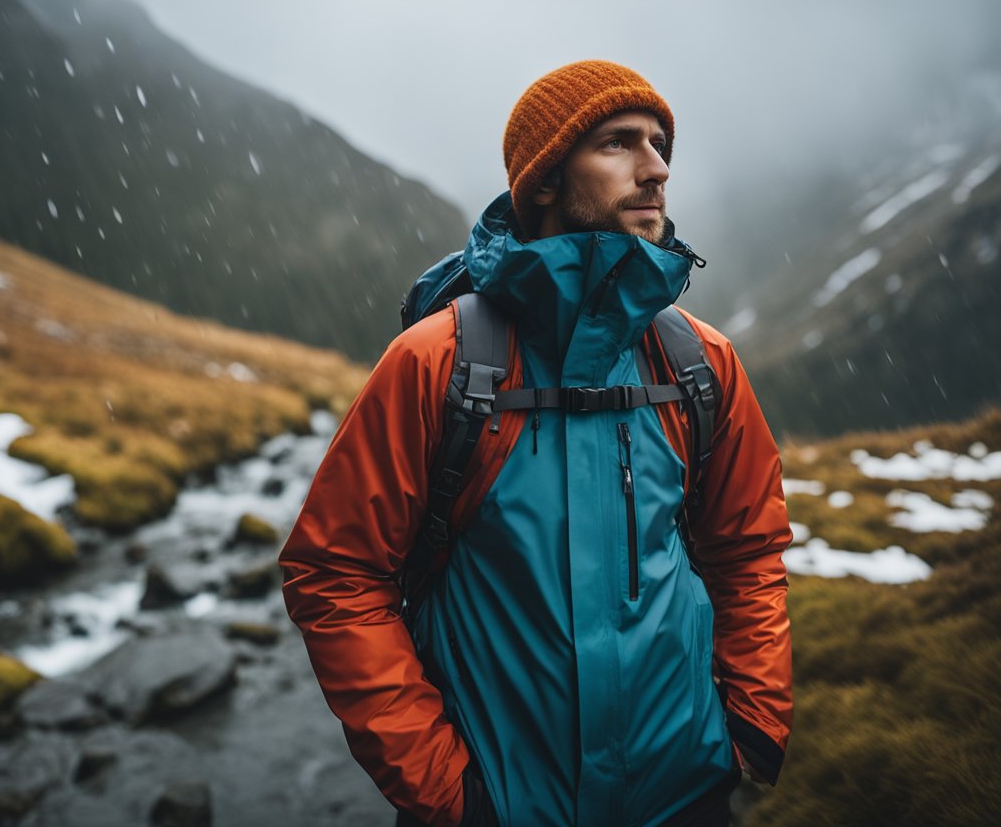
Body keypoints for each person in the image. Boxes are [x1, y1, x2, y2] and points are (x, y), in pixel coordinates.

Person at [280, 60, 792, 827]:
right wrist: (445, 790)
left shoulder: (697, 362)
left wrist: (749, 725)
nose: (655, 170)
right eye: (620, 144)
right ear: (546, 179)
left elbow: (747, 550)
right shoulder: (437, 362)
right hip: (498, 806)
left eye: (660, 147)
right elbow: (336, 573)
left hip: (685, 796)